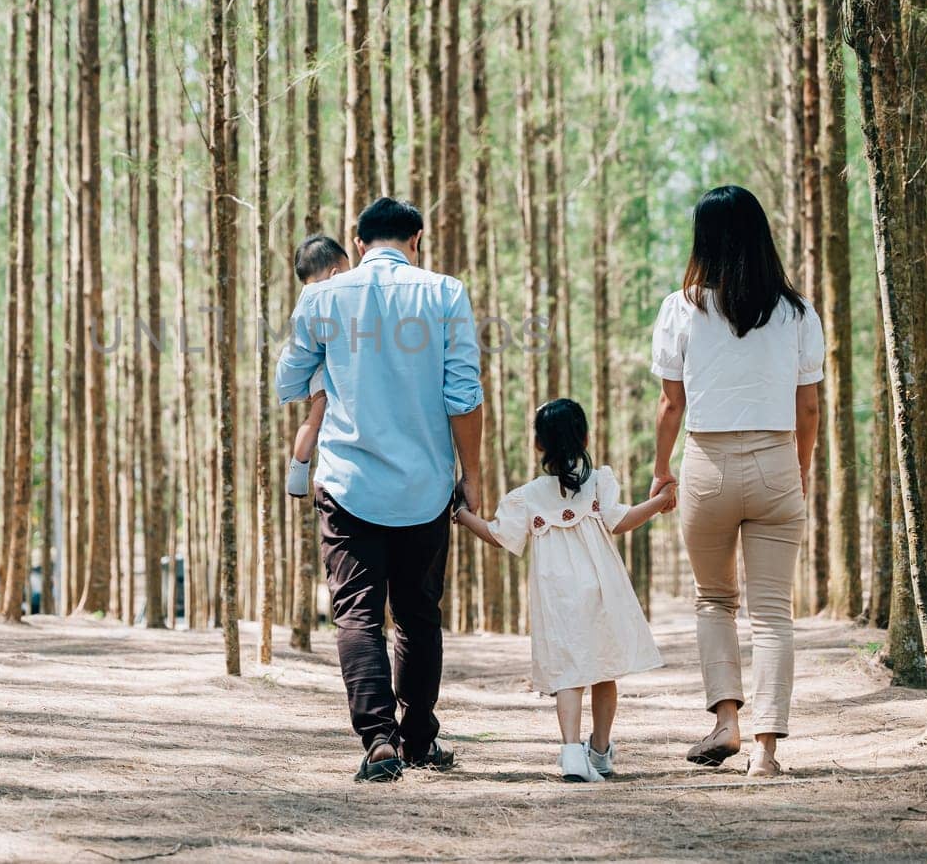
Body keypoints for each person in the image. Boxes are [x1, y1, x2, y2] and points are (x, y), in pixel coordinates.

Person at [275, 197, 483, 782]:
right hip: (423, 488)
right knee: (418, 616)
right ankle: (419, 739)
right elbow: (464, 396)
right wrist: (472, 475)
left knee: (356, 615)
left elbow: (288, 379)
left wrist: (326, 370)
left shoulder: (321, 297)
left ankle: (378, 742)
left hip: (348, 485)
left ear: (359, 243)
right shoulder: (446, 293)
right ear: (417, 238)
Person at [649, 184, 824, 778]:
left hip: (708, 465)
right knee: (774, 614)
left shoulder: (683, 307)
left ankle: (727, 722)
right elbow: (809, 409)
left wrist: (660, 469)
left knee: (715, 600)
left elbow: (671, 404)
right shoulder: (798, 312)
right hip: (776, 460)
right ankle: (768, 753)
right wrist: (799, 467)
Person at [456, 399, 672, 782]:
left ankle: (572, 753)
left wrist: (462, 516)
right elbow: (621, 522)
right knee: (606, 670)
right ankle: (601, 752)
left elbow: (498, 535)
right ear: (585, 437)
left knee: (569, 675)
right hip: (602, 588)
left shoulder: (527, 496)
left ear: (538, 445)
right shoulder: (598, 482)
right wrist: (658, 502)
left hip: (557, 595)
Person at [283, 235, 350, 498]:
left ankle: (298, 467)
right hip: (325, 368)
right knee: (318, 414)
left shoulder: (307, 300)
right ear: (335, 273)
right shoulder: (330, 297)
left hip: (320, 368)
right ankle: (298, 470)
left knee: (317, 416)